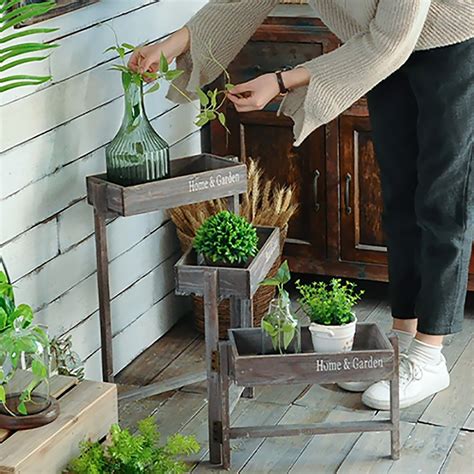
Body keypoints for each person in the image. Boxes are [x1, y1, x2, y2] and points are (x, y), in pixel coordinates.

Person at [129, 0, 473, 410]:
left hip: (453, 42)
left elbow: (390, 41)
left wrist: (280, 80)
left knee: (441, 201)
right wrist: (174, 43)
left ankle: (429, 355)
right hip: (376, 49)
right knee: (398, 197)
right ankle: (398, 342)